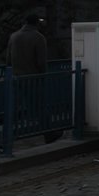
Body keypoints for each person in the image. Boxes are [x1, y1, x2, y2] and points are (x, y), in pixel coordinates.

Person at [7, 14, 62, 144]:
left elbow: (8, 60)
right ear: (37, 24)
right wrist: (42, 76)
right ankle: (49, 133)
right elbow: (41, 62)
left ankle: (6, 138)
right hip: (33, 78)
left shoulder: (13, 37)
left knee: (13, 109)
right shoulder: (38, 38)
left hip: (16, 78)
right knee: (40, 107)